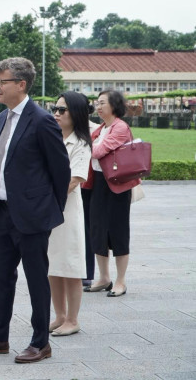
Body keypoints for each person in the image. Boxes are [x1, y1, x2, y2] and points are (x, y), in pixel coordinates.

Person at [0, 57, 70, 363]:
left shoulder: (42, 120)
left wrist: (48, 211)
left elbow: (60, 170)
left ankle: (40, 342)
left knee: (36, 280)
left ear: (20, 84)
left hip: (33, 216)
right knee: (1, 278)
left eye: (1, 82)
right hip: (3, 212)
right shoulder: (2, 117)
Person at [82, 90, 139, 298]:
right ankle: (104, 277)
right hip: (98, 183)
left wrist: (86, 145)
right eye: (97, 103)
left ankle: (121, 280)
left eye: (102, 103)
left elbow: (97, 152)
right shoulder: (101, 129)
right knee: (97, 229)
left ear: (114, 105)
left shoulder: (120, 128)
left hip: (117, 185)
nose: (98, 106)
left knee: (118, 231)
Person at [48, 92, 91, 337]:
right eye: (55, 108)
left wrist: (46, 196)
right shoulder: (54, 138)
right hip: (50, 211)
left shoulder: (81, 144)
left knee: (71, 267)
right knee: (53, 265)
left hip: (66, 211)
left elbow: (74, 179)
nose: (56, 113)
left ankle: (73, 319)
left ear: (76, 114)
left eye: (62, 110)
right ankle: (60, 315)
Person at [81, 107, 100, 290]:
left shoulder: (95, 129)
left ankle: (87, 272)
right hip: (63, 186)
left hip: (86, 185)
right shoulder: (56, 127)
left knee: (86, 228)